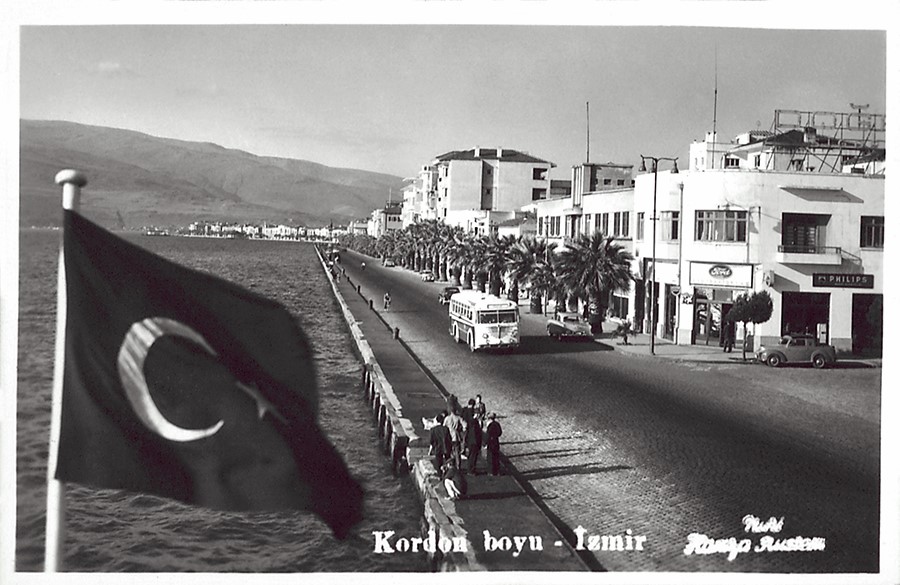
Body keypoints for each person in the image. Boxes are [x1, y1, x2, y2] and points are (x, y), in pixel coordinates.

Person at [463, 410, 483, 474]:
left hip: (471, 442)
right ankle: (471, 470)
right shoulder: (475, 422)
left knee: (471, 456)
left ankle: (471, 470)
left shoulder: (471, 422)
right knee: (473, 457)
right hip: (474, 442)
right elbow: (478, 433)